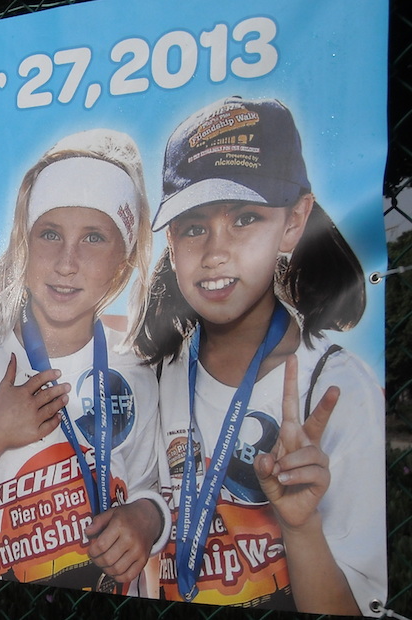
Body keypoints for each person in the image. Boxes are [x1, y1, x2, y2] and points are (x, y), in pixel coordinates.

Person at [133, 96, 386, 614]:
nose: (215, 252)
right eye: (194, 226)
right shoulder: (161, 375)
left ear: (294, 222)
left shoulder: (336, 388)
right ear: (172, 242)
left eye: (245, 218)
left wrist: (300, 525)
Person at [0, 128, 169, 595]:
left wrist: (146, 518)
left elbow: (155, 488)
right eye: (50, 234)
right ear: (25, 245)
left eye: (93, 238)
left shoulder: (135, 367)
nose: (66, 262)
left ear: (123, 260)